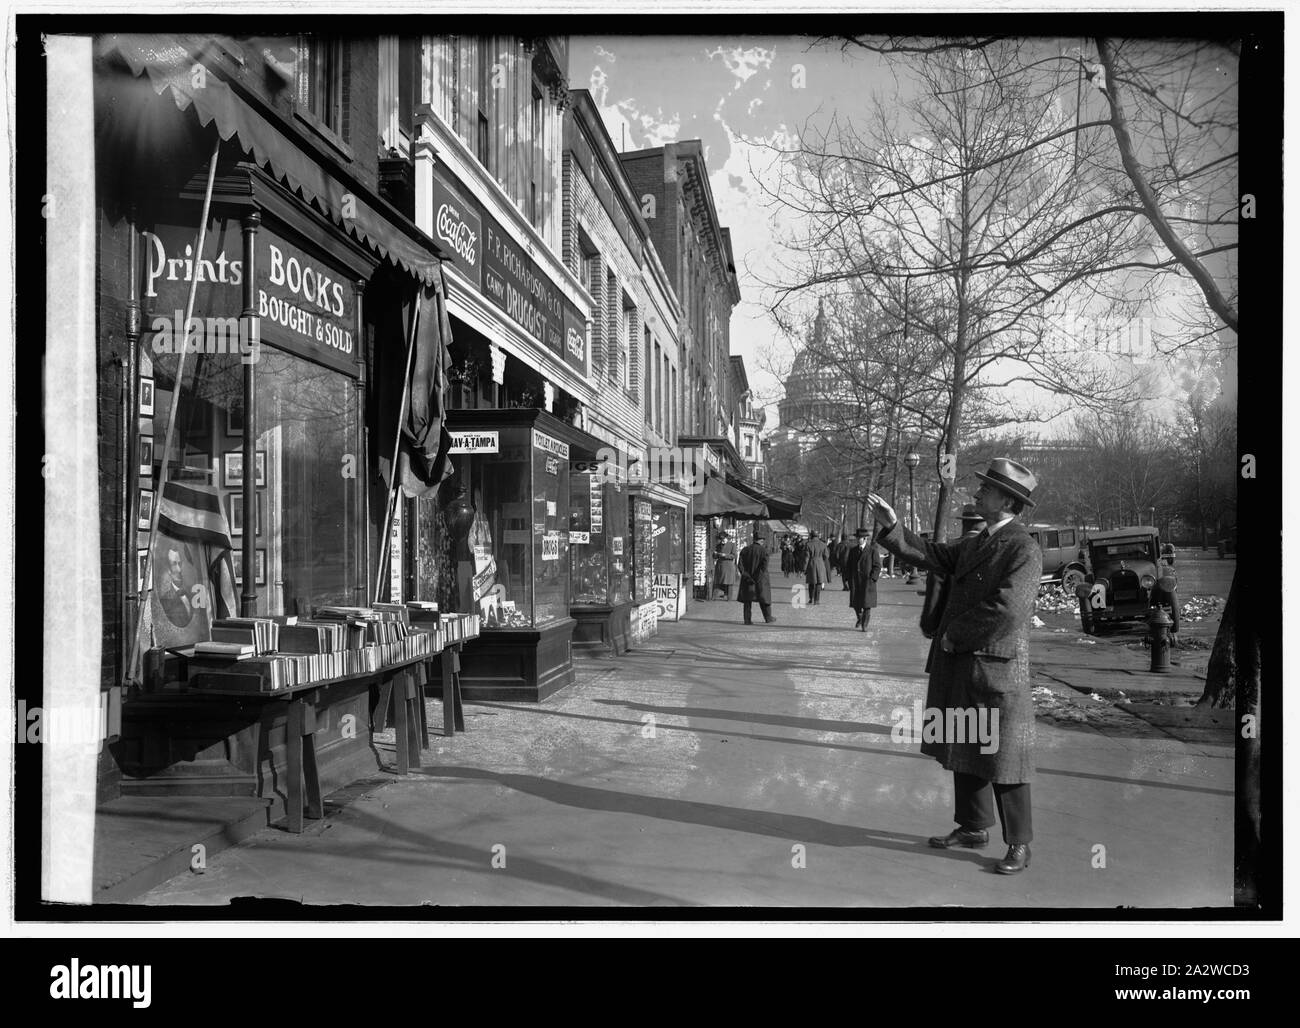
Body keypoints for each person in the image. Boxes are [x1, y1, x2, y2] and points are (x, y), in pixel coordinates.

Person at [866, 457, 1043, 876]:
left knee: (1004, 757)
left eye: (985, 490)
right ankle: (973, 827)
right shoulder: (978, 540)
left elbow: (1009, 609)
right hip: (965, 665)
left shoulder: (1023, 547)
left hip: (995, 669)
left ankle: (1019, 843)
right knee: (965, 745)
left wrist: (954, 635)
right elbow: (933, 555)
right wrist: (893, 528)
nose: (976, 494)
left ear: (1006, 500)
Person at [920, 505, 986, 639]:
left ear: (963, 524)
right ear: (985, 524)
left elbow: (935, 591)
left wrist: (929, 627)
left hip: (947, 629)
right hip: (981, 632)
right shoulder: (991, 551)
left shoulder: (947, 550)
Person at [844, 527, 882, 630]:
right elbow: (849, 566)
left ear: (865, 539)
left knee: (866, 604)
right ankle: (860, 618)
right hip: (855, 581)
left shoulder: (872, 551)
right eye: (857, 538)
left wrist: (873, 578)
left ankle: (864, 625)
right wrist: (847, 579)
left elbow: (877, 566)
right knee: (856, 604)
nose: (857, 540)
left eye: (859, 538)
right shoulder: (853, 551)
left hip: (867, 581)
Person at [737, 526, 776, 624]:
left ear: (754, 539)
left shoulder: (745, 550)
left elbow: (740, 566)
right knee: (764, 598)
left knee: (747, 600)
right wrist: (757, 577)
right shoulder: (764, 551)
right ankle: (768, 618)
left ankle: (747, 620)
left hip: (747, 579)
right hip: (761, 579)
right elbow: (764, 567)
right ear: (761, 540)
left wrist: (747, 576)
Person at [804, 529, 829, 605]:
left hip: (811, 563)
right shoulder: (823, 544)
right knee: (819, 582)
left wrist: (804, 568)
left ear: (811, 535)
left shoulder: (808, 544)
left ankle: (811, 598)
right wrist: (822, 560)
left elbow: (806, 558)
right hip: (820, 563)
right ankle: (817, 600)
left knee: (811, 582)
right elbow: (826, 555)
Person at [712, 529, 738, 601]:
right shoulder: (718, 545)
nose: (722, 540)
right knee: (717, 582)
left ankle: (729, 598)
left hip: (728, 566)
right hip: (720, 566)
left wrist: (725, 555)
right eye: (721, 539)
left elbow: (734, 556)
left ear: (727, 538)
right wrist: (715, 554)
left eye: (723, 539)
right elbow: (715, 556)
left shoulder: (732, 545)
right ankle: (713, 597)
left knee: (729, 582)